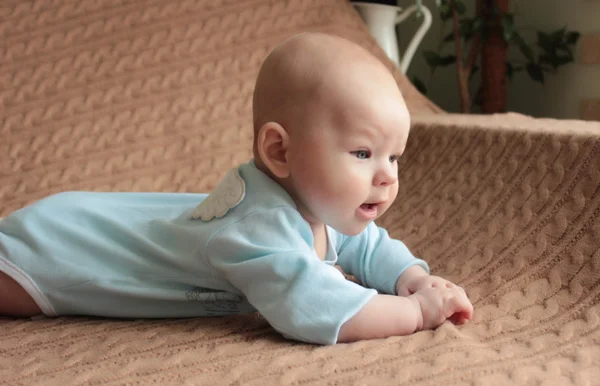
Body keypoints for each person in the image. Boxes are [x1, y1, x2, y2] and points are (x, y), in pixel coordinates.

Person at [0, 33, 473, 345]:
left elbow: (368, 247)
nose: (388, 175)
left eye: (395, 157)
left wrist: (411, 277)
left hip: (81, 224)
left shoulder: (320, 205)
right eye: (363, 154)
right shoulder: (259, 229)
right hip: (57, 251)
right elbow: (320, 310)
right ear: (281, 152)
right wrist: (415, 311)